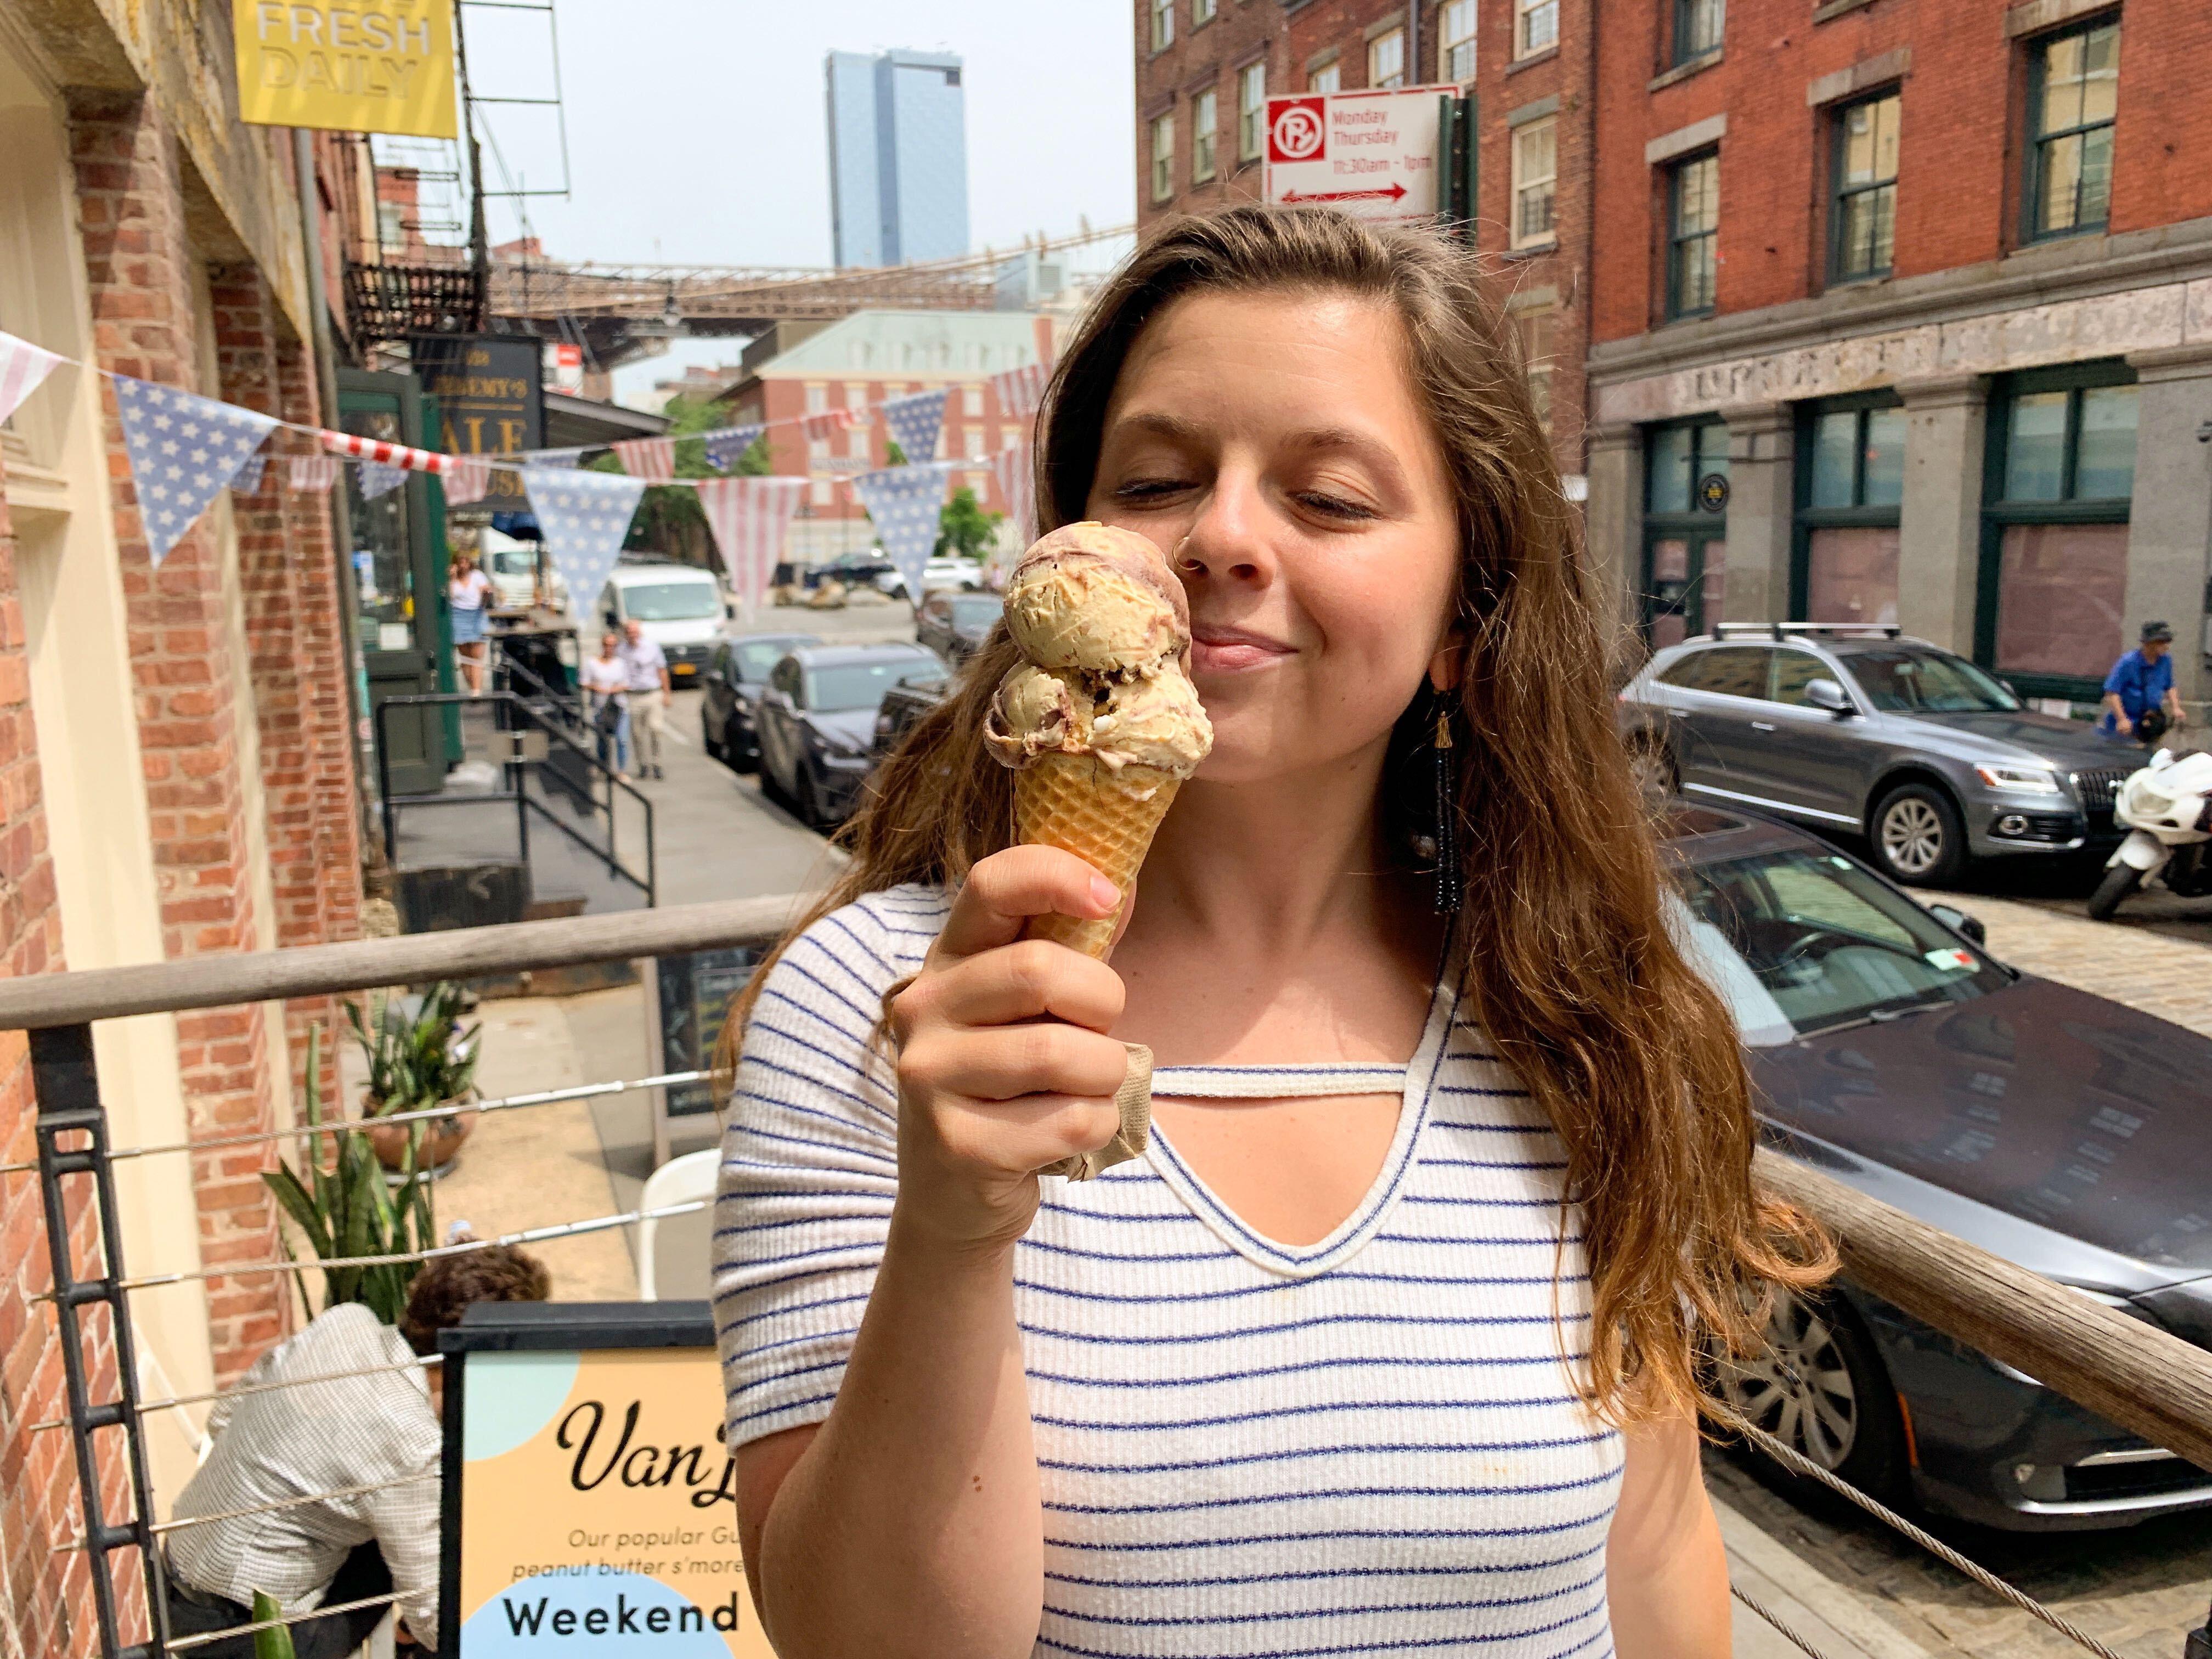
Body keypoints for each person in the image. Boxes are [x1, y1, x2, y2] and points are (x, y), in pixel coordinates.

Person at [711, 207, 1831, 1659]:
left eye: (1333, 497)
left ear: (1461, 616)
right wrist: (954, 1228)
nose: (1224, 536)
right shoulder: (874, 1014)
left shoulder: (1577, 1010)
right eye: (1162, 480)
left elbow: (1660, 1541)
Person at [163, 1244, 550, 1656]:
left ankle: (399, 1632)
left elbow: (223, 1418)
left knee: (420, 1524)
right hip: (247, 1636)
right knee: (452, 1557)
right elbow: (440, 1623)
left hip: (178, 1565)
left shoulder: (345, 1323)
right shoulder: (409, 1441)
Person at [2102, 620, 2186, 746]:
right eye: (2162, 643)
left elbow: (2170, 685)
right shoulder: (2128, 662)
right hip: (2127, 721)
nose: (2167, 646)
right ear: (2150, 643)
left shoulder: (2165, 660)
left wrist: (2176, 708)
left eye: (2167, 642)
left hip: (2150, 720)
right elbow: (2113, 692)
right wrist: (2122, 719)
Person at [619, 618, 673, 780]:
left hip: (652, 693)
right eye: (629, 632)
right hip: (633, 695)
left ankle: (658, 764)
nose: (632, 635)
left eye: (635, 631)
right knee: (636, 733)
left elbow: (662, 670)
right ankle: (643, 764)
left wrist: (667, 693)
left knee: (656, 728)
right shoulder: (621, 650)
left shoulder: (652, 647)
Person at [579, 629, 630, 782]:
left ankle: (621, 771)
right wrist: (598, 688)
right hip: (601, 707)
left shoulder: (620, 663)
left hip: (618, 707)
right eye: (607, 645)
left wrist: (614, 689)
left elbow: (627, 683)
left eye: (613, 646)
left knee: (622, 740)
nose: (610, 648)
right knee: (603, 740)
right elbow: (584, 683)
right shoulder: (592, 663)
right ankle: (604, 767)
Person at [447, 550, 495, 694]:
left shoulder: (477, 576)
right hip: (458, 615)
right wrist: (453, 577)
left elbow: (485, 592)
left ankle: (476, 690)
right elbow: (451, 596)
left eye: (465, 561)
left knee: (477, 656)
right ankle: (471, 686)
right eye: (460, 561)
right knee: (466, 657)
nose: (463, 565)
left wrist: (486, 594)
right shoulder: (452, 580)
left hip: (476, 615)